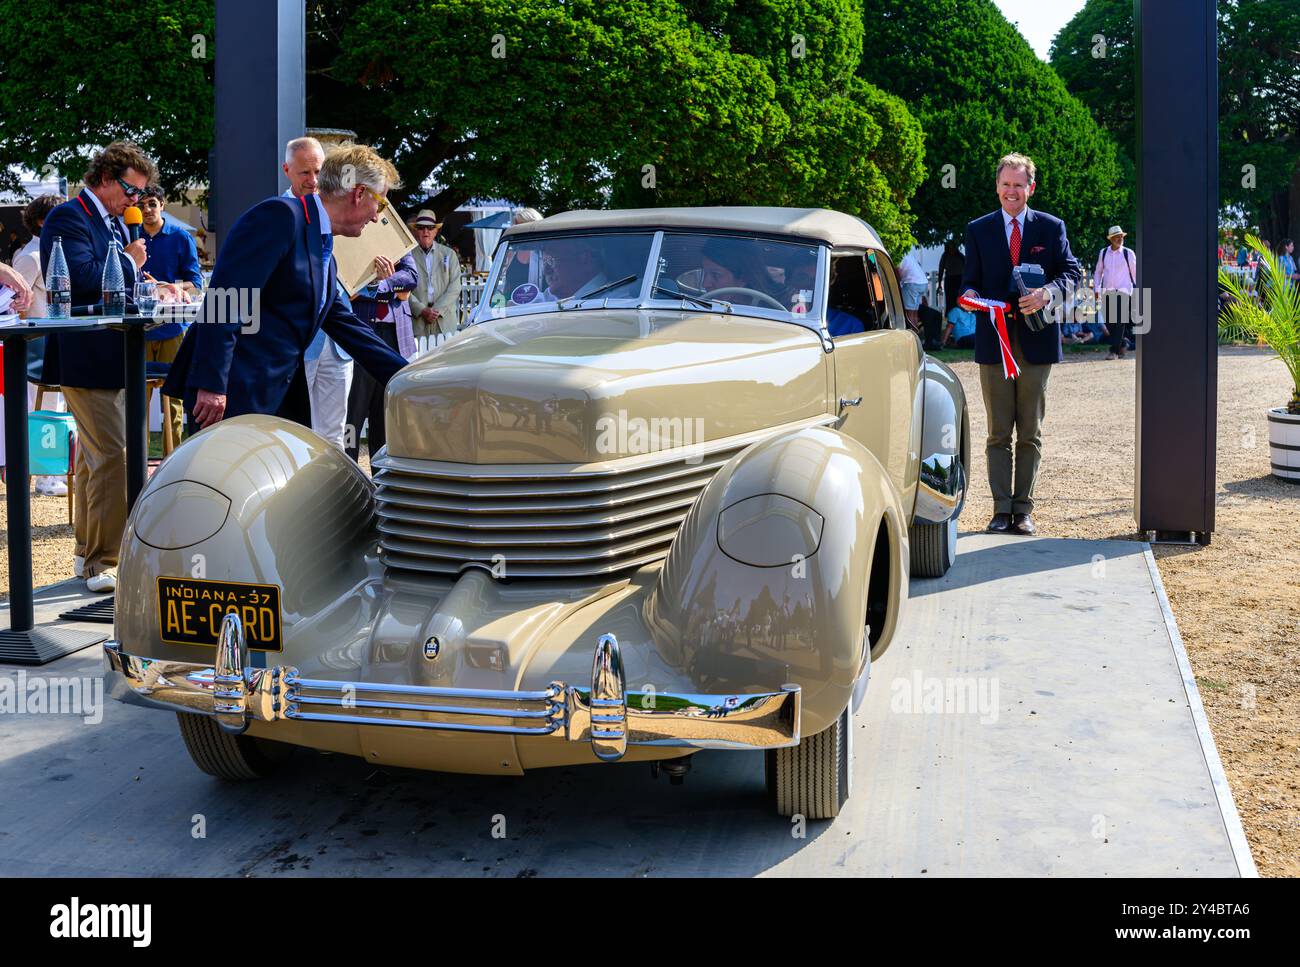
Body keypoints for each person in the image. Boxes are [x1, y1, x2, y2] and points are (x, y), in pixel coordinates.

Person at [162, 142, 409, 439]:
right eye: (380, 204)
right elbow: (224, 300)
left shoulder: (320, 242)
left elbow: (344, 325)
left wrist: (406, 375)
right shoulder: (280, 216)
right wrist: (212, 384)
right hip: (231, 394)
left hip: (272, 396)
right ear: (358, 193)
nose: (375, 216)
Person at [38, 142, 153, 591]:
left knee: (95, 459)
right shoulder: (69, 217)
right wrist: (130, 262)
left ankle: (87, 555)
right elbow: (78, 278)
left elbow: (111, 286)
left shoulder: (108, 221)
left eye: (141, 194)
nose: (135, 200)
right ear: (104, 178)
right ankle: (103, 562)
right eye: (129, 189)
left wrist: (147, 283)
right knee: (114, 456)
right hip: (86, 357)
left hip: (112, 355)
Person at [960, 152, 1082, 537]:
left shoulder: (1051, 227)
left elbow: (1072, 273)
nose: (1012, 191)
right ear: (997, 187)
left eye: (1019, 185)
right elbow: (967, 285)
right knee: (998, 432)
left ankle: (1023, 510)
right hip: (994, 343)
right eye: (1006, 184)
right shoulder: (977, 229)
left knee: (1030, 430)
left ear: (1031, 188)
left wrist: (1047, 293)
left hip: (1036, 343)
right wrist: (979, 302)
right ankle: (1000, 509)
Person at [281, 136, 355, 451]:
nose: (313, 181)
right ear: (287, 170)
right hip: (301, 345)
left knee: (335, 436)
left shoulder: (339, 214)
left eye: (318, 171)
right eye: (304, 173)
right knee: (299, 437)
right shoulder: (280, 215)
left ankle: (333, 499)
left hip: (338, 346)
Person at [11, 194, 67, 497]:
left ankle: (51, 471)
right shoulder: (30, 257)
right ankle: (45, 475)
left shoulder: (51, 253)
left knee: (55, 406)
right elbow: (15, 304)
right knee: (43, 408)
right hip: (35, 343)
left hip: (55, 340)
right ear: (43, 221)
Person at [137, 185, 201, 445]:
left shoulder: (181, 237)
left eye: (152, 203)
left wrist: (172, 287)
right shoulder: (130, 236)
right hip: (138, 329)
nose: (147, 210)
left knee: (173, 404)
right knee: (136, 402)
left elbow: (194, 282)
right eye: (141, 206)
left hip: (173, 326)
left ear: (162, 205)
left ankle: (172, 464)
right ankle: (136, 467)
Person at [343, 247, 418, 466]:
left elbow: (412, 277)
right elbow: (348, 286)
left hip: (393, 339)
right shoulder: (352, 235)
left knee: (385, 419)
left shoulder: (394, 238)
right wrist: (393, 288)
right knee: (352, 417)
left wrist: (380, 284)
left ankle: (384, 484)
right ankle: (350, 477)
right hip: (361, 334)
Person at [407, 209, 462, 348]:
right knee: (419, 363)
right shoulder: (407, 256)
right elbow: (403, 288)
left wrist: (436, 310)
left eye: (430, 228)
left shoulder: (448, 254)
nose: (426, 231)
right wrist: (421, 310)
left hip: (444, 319)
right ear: (415, 231)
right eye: (421, 228)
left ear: (436, 231)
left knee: (446, 363)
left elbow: (455, 287)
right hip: (418, 321)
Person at [1093, 225, 1137, 360]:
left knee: (1118, 321)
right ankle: (1123, 343)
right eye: (1117, 237)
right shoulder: (1103, 253)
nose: (1120, 239)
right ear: (1111, 239)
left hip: (1124, 291)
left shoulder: (1128, 253)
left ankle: (1114, 351)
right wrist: (1096, 289)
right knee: (1109, 322)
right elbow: (1098, 272)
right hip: (1107, 291)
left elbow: (1135, 273)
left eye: (1121, 236)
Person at [897, 247, 927, 331]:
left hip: (911, 283)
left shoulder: (896, 256)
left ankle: (911, 335)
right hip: (922, 282)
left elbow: (897, 273)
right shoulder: (907, 254)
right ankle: (915, 334)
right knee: (914, 312)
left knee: (909, 312)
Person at [938, 240, 965, 314]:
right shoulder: (945, 256)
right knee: (950, 300)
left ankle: (959, 315)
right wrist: (939, 283)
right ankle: (951, 315)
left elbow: (967, 268)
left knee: (959, 299)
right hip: (950, 279)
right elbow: (941, 270)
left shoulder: (960, 256)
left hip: (959, 279)